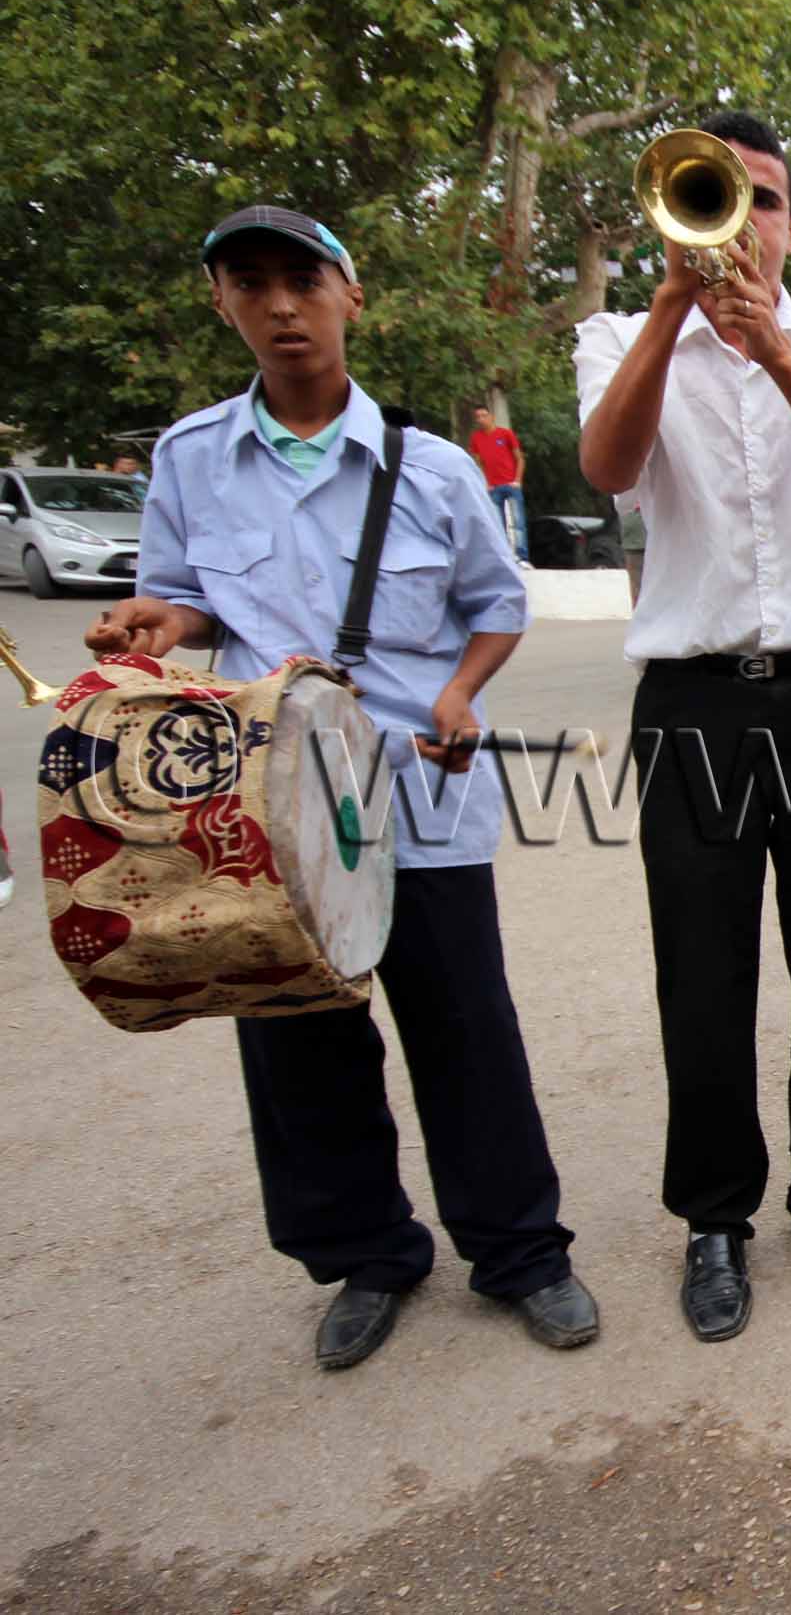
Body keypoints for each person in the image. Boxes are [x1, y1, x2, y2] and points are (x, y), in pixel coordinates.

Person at [84, 203, 596, 1369]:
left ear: (350, 296)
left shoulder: (435, 467)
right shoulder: (191, 459)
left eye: (302, 281)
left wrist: (464, 694)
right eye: (250, 283)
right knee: (300, 1046)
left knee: (466, 1031)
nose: (279, 306)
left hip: (420, 796)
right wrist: (150, 625)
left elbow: (494, 606)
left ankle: (521, 1255)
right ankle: (368, 1256)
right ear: (222, 303)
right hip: (260, 817)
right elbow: (179, 596)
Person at [574, 111, 791, 1342]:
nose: (744, 222)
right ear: (675, 212)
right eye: (721, 197)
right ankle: (714, 1219)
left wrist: (780, 360)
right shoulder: (616, 333)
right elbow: (608, 471)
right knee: (700, 972)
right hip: (696, 698)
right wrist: (668, 317)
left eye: (765, 199)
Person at [467, 405, 530, 563]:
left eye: (484, 415)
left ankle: (521, 557)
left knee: (518, 522)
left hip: (511, 484)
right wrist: (485, 482)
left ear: (491, 416)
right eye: (478, 417)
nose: (481, 419)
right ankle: (503, 558)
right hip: (493, 487)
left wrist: (518, 480)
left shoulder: (505, 434)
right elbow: (477, 463)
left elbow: (519, 458)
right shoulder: (476, 438)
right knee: (496, 524)